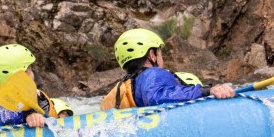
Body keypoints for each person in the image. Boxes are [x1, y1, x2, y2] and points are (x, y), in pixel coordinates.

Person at [100, 28, 235, 110]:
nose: (161, 57)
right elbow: (157, 97)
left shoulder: (124, 86)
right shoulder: (153, 73)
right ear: (152, 55)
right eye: (159, 52)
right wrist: (208, 90)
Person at [0, 43, 55, 128]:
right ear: (22, 77)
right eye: (30, 69)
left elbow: (50, 120)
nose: (33, 74)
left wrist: (35, 116)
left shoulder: (40, 98)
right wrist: (24, 116)